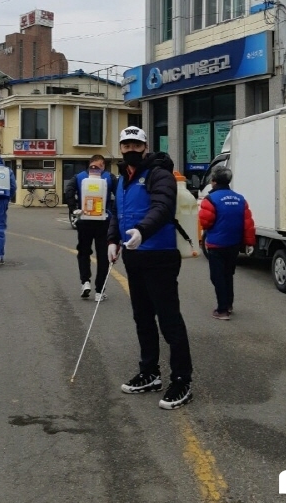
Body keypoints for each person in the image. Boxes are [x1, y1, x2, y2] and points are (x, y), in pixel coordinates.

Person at [107, 127, 193, 410]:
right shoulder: (121, 179)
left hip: (159, 255)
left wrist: (143, 230)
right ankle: (150, 371)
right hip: (134, 256)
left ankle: (182, 380)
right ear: (120, 148)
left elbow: (163, 206)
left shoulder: (159, 174)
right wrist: (112, 239)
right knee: (142, 318)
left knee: (169, 320)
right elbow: (117, 212)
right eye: (126, 144)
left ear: (145, 147)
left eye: (136, 144)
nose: (130, 148)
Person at [198, 166, 255, 321]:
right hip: (234, 244)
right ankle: (229, 304)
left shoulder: (210, 199)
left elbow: (205, 222)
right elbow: (248, 223)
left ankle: (222, 310)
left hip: (216, 245)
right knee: (228, 275)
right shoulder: (240, 199)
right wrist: (249, 243)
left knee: (217, 277)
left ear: (214, 181)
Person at [65, 154, 116, 302]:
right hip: (103, 221)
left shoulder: (79, 177)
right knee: (103, 256)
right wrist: (113, 212)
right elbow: (120, 195)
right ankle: (100, 291)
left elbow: (69, 191)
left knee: (83, 252)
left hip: (84, 220)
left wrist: (74, 208)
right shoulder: (109, 177)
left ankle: (85, 282)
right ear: (103, 165)